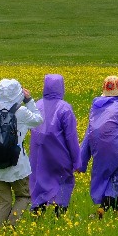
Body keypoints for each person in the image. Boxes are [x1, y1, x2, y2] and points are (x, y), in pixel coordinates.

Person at [75, 75, 118, 216]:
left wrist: (81, 162)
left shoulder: (96, 107)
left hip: (98, 147)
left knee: (105, 176)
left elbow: (89, 132)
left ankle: (117, 210)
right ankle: (103, 209)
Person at [0, 78, 41, 227]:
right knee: (23, 196)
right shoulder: (22, 112)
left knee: (3, 201)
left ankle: (0, 233)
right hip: (16, 165)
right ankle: (11, 227)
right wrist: (29, 100)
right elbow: (38, 119)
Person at [28, 74, 79, 215]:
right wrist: (77, 161)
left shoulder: (37, 105)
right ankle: (60, 215)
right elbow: (71, 137)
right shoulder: (65, 108)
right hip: (60, 155)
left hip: (39, 156)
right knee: (63, 182)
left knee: (39, 183)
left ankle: (37, 215)